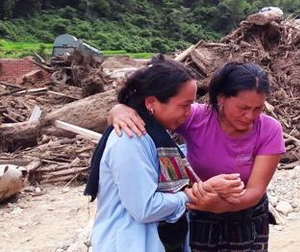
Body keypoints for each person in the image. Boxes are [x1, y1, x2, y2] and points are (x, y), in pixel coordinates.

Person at [110, 62, 285, 252]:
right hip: (199, 209)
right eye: (243, 108)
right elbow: (158, 113)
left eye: (257, 108)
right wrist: (119, 109)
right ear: (222, 98)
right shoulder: (196, 117)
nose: (250, 116)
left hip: (245, 212)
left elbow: (255, 191)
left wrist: (221, 206)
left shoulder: (269, 130)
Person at [86, 55, 245, 252]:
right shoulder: (131, 138)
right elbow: (145, 208)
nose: (189, 112)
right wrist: (193, 194)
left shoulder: (156, 134)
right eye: (184, 105)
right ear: (151, 102)